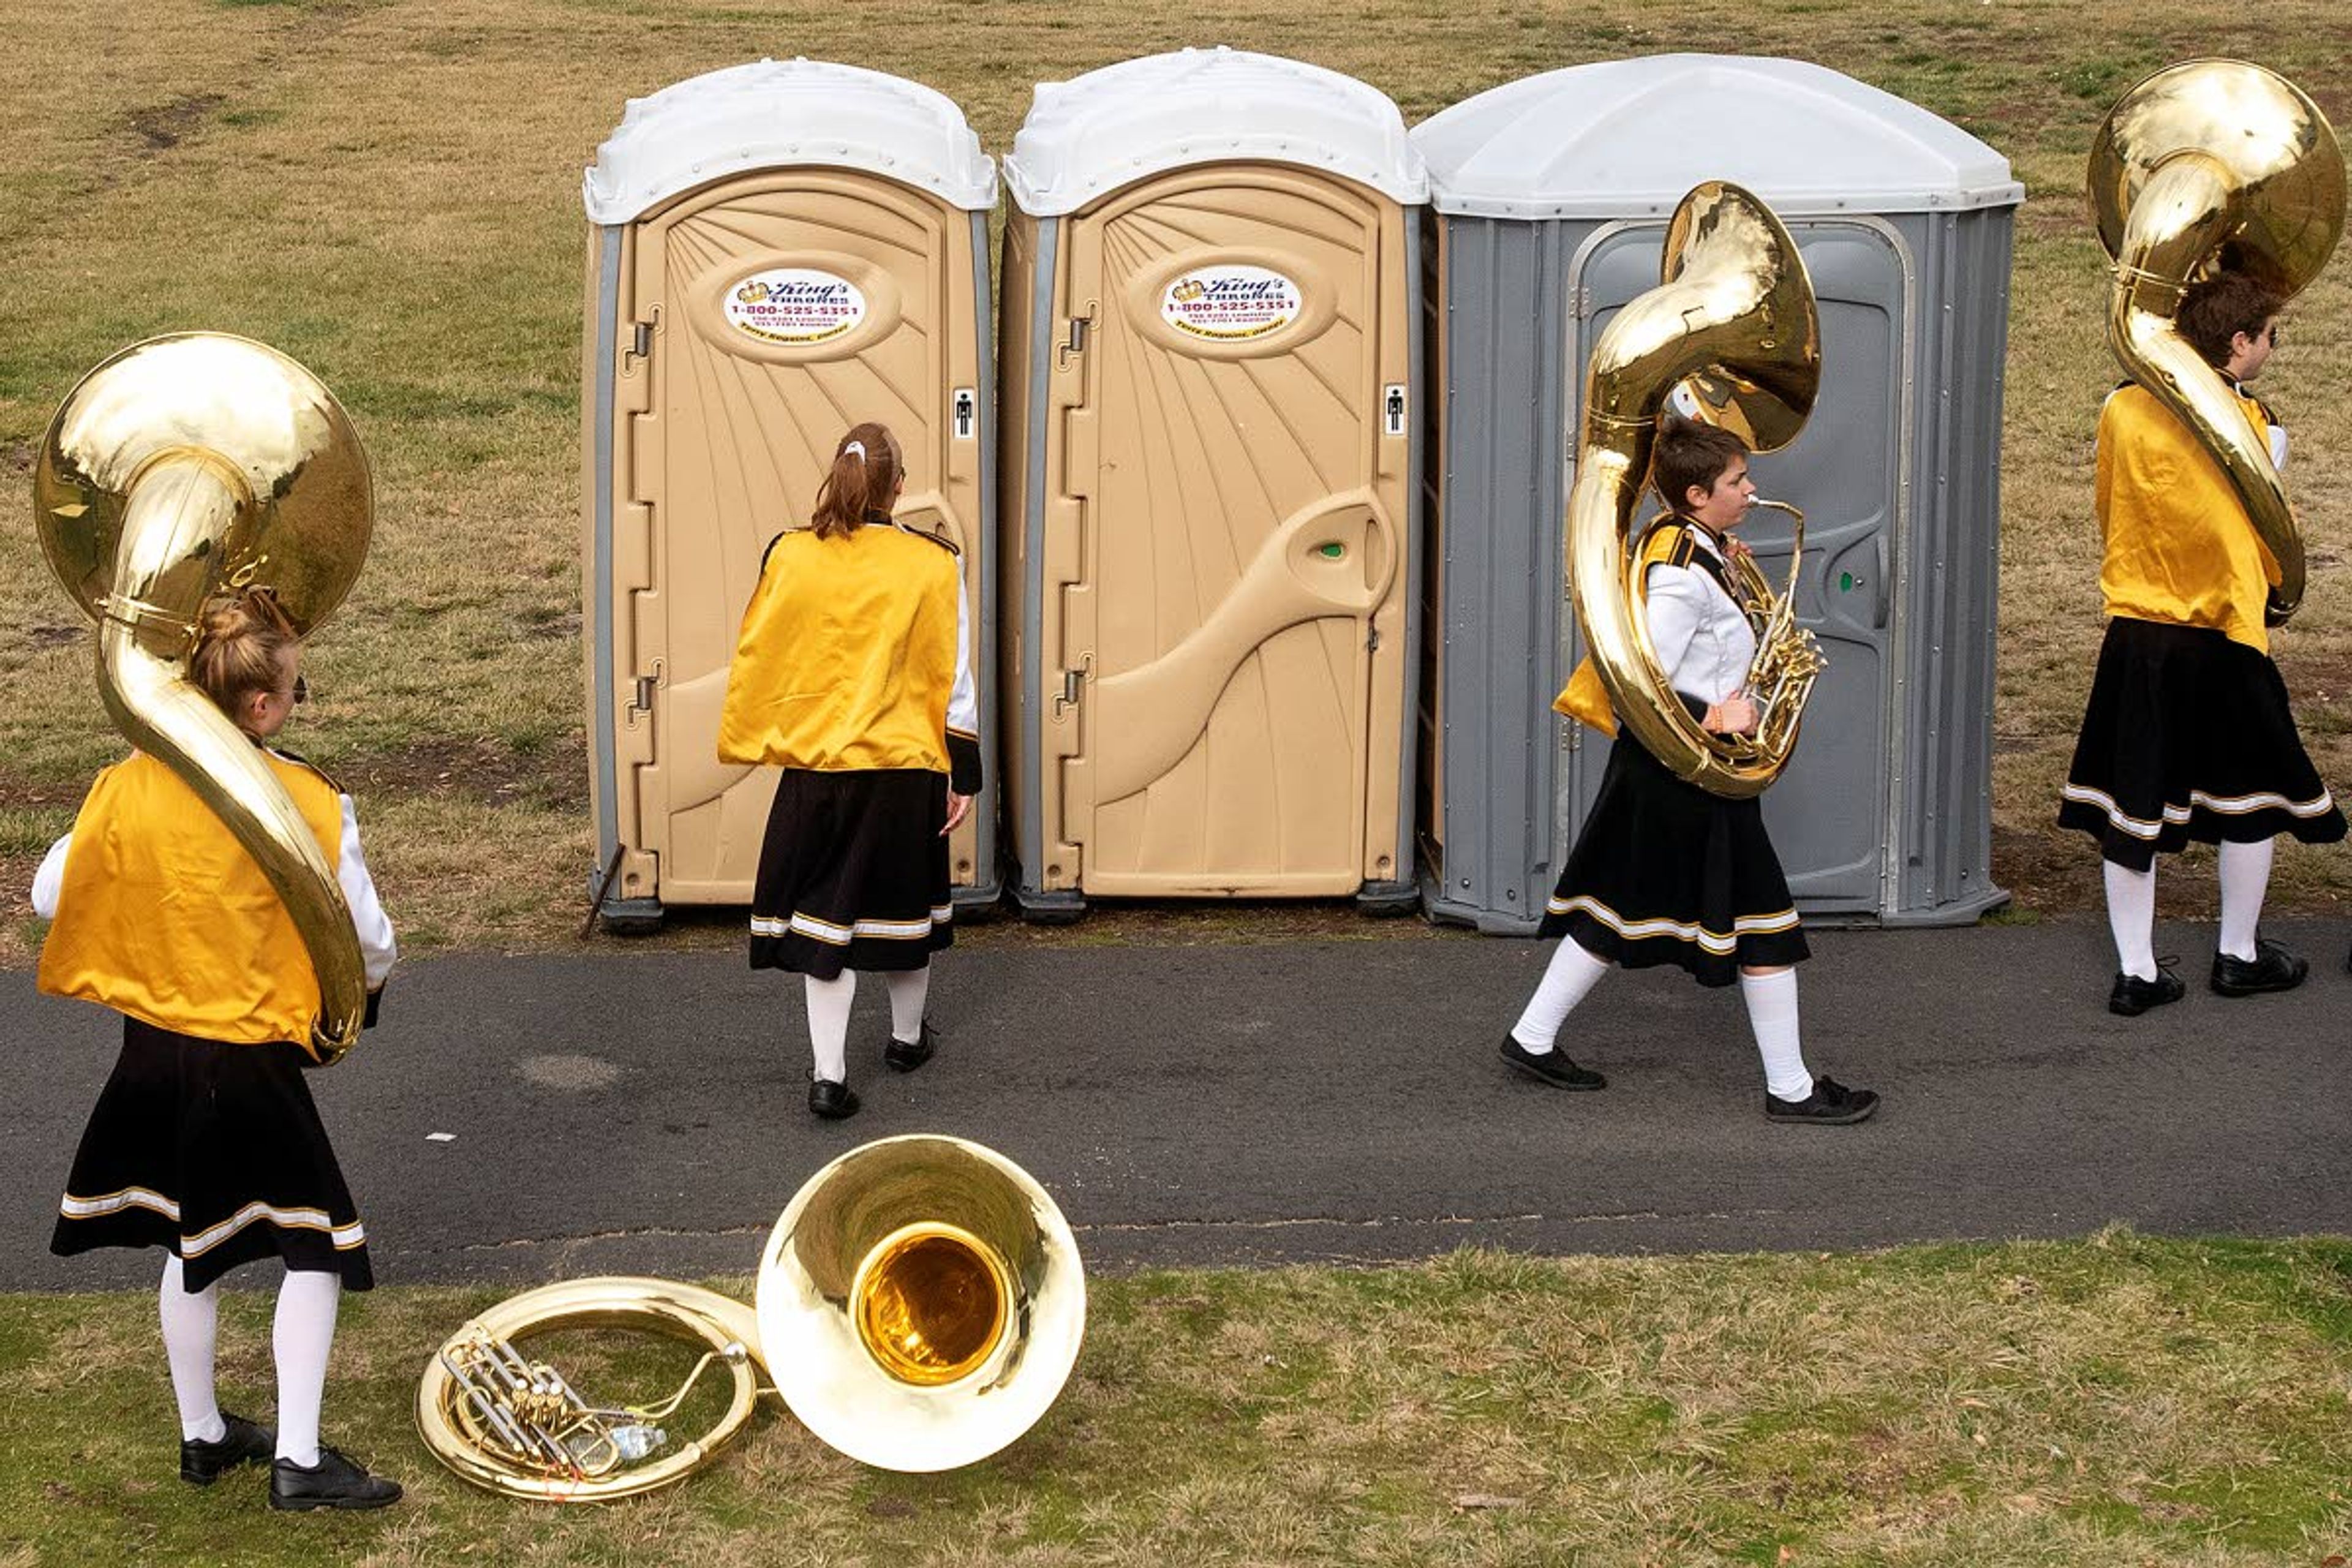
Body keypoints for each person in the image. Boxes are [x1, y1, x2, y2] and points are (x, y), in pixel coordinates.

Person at [32, 586, 402, 1509]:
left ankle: (204, 1436)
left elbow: (47, 895)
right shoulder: (312, 801)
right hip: (248, 1062)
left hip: (152, 1052)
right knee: (313, 1247)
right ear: (267, 707)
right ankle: (302, 1463)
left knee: (190, 1242)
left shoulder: (130, 782)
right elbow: (371, 942)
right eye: (297, 689)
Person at [1502, 416, 1878, 1125]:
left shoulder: (1690, 542)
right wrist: (1713, 715)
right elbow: (1644, 676)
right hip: (1689, 768)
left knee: (1614, 906)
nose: (1751, 489)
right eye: (1738, 481)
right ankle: (1791, 1090)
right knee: (1766, 921)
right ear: (1699, 493)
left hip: (1668, 772)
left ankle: (1531, 1035)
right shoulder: (1678, 570)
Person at [2057, 269, 2344, 1014]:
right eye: (2270, 337)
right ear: (2240, 342)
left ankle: (2137, 970)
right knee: (2254, 796)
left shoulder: (2121, 407)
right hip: (2224, 633)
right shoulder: (2262, 429)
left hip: (2138, 633)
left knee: (2133, 804)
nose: (2274, 349)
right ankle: (2239, 954)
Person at [718, 421, 980, 1120]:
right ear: (897, 487)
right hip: (903, 769)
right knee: (906, 912)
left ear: (838, 476)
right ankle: (904, 1040)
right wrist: (966, 772)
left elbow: (761, 651)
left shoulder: (790, 554)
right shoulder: (934, 563)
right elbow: (953, 677)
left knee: (825, 920)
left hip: (817, 768)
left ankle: (827, 1076)